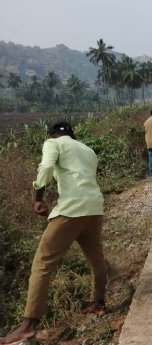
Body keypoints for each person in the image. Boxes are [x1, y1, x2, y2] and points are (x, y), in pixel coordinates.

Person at [0, 121, 107, 345]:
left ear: (53, 135)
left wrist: (38, 197)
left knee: (42, 264)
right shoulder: (87, 149)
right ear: (72, 134)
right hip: (94, 207)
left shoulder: (53, 143)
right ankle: (98, 303)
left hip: (70, 210)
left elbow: (46, 168)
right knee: (96, 259)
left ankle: (28, 326)